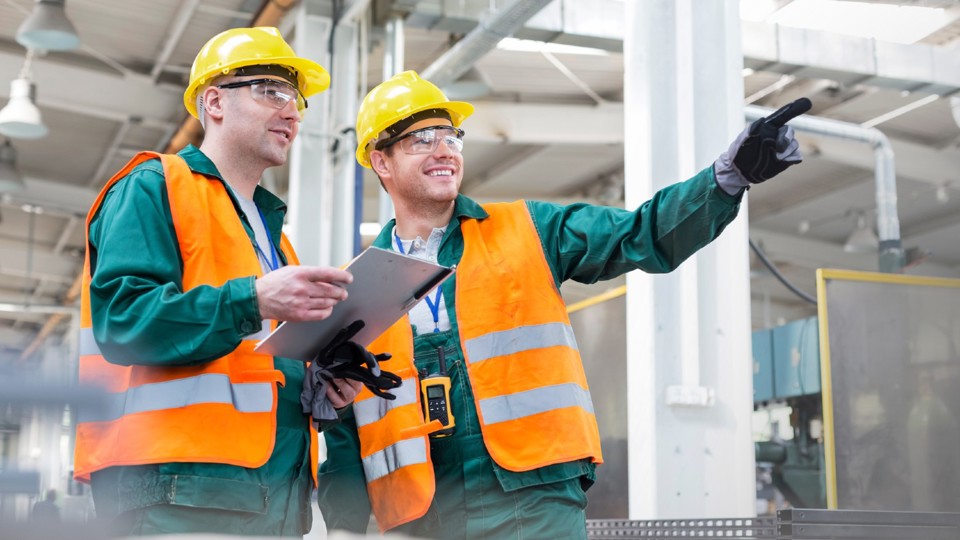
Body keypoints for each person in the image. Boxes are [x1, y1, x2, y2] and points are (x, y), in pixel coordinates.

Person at [316, 70, 810, 538]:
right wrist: (341, 530)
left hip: (532, 500)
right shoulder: (355, 291)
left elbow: (640, 234)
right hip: (418, 516)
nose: (444, 150)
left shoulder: (530, 229)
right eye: (421, 139)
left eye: (452, 137)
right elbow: (341, 440)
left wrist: (726, 177)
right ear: (380, 161)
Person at [73, 27, 363, 537]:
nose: (292, 112)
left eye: (295, 98)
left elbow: (247, 363)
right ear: (214, 102)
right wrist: (253, 299)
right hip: (172, 490)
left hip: (269, 498)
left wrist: (315, 385)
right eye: (271, 90)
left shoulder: (274, 240)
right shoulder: (155, 185)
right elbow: (124, 322)